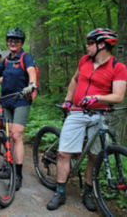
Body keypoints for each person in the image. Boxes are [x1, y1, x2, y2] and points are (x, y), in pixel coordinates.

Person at [46, 28, 127, 211]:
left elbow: (118, 96)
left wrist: (97, 97)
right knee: (64, 153)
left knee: (94, 156)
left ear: (102, 45)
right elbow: (75, 80)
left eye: (90, 43)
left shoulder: (118, 67)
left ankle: (88, 192)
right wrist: (68, 99)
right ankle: (60, 191)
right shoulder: (84, 60)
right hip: (77, 112)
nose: (87, 46)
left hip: (100, 115)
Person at [0, 28, 37, 191]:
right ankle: (8, 167)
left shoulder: (26, 57)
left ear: (21, 43)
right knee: (8, 136)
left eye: (16, 41)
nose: (12, 43)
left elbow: (31, 71)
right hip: (6, 101)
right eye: (10, 40)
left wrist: (32, 85)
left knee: (16, 135)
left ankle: (18, 175)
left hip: (21, 101)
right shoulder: (6, 60)